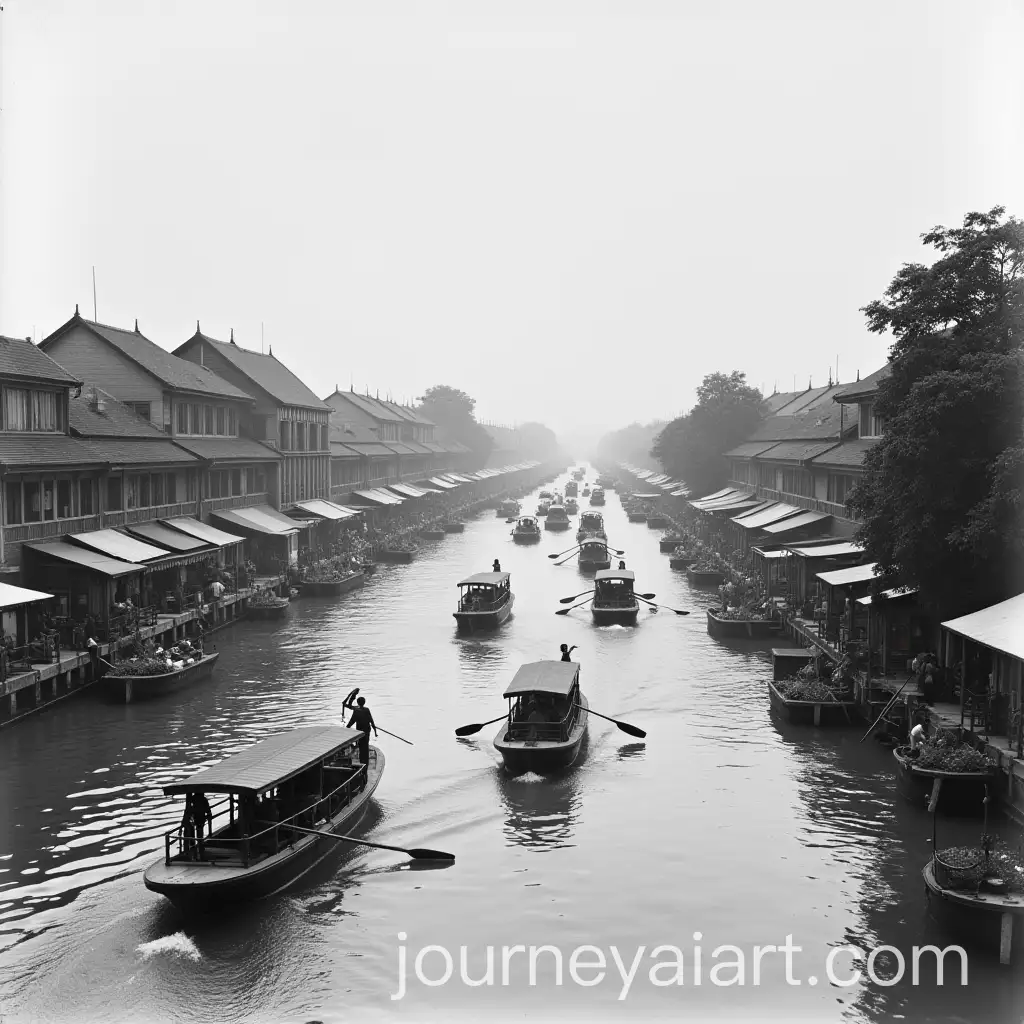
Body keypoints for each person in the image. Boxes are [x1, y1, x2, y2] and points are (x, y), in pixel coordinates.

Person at [347, 696, 378, 765]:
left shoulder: (356, 710)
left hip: (360, 732)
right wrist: (375, 730)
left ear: (358, 703)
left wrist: (347, 728)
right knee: (365, 745)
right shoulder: (367, 710)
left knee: (361, 746)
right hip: (366, 731)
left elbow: (352, 721)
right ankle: (365, 761)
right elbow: (371, 720)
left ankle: (362, 762)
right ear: (364, 702)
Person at [190, 791, 214, 858]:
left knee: (193, 832)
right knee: (200, 832)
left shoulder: (192, 798)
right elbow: (208, 809)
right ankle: (200, 845)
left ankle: (193, 846)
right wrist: (209, 815)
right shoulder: (203, 799)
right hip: (201, 817)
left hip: (194, 817)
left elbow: (190, 808)